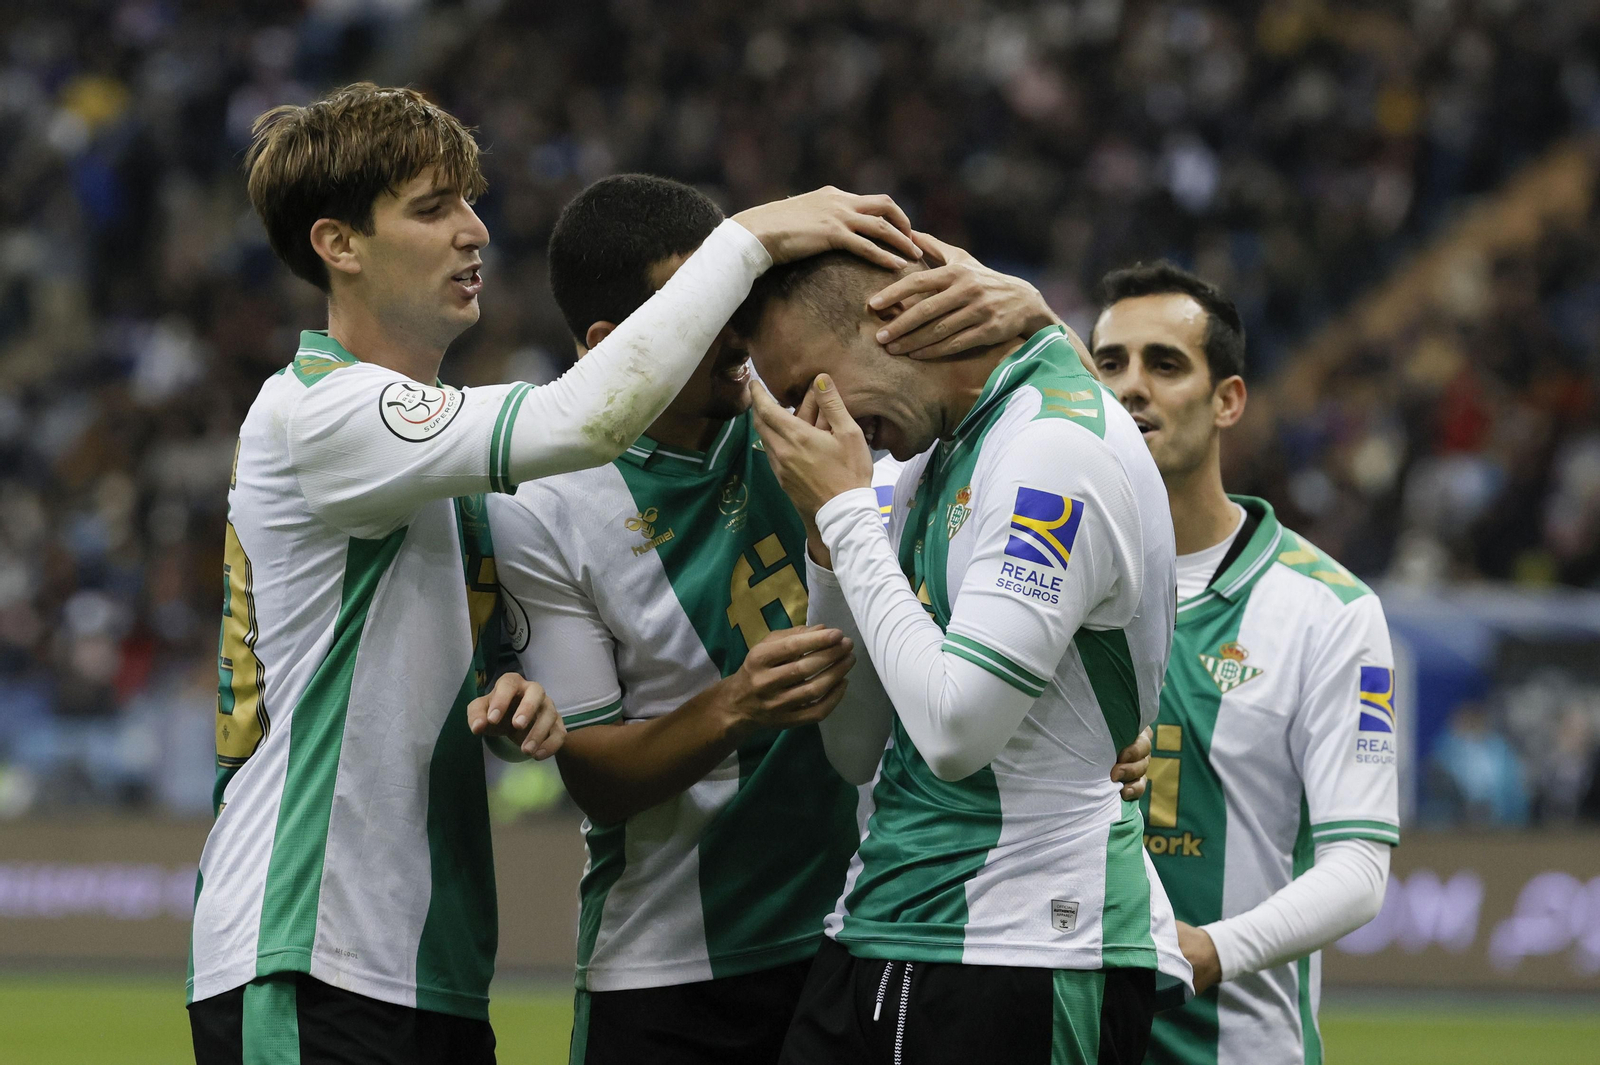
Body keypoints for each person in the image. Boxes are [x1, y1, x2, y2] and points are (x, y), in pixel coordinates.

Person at [186, 82, 924, 1065]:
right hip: (306, 942)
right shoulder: (316, 412)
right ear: (339, 244)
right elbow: (586, 418)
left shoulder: (444, 455)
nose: (474, 230)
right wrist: (743, 240)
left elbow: (393, 656)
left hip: (418, 956)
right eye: (432, 206)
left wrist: (514, 694)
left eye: (468, 200)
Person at [486, 175, 1158, 1064]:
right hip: (667, 956)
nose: (738, 337)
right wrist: (733, 707)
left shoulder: (822, 430)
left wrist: (1038, 320)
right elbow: (596, 779)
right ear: (618, 343)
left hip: (850, 926)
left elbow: (1052, 444)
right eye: (703, 303)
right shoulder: (544, 497)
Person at [742, 250, 1192, 1065]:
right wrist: (827, 542)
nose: (812, 422)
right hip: (883, 918)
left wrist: (847, 516)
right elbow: (854, 749)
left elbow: (956, 733)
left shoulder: (1055, 448)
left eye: (812, 382)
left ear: (895, 322)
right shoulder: (925, 460)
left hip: (1025, 942)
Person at [1089, 262, 1397, 1065]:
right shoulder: (1043, 586)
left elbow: (1360, 867)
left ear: (1228, 398)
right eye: (1109, 364)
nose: (1130, 388)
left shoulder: (1330, 610)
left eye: (1164, 364)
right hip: (1060, 1031)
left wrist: (1210, 949)